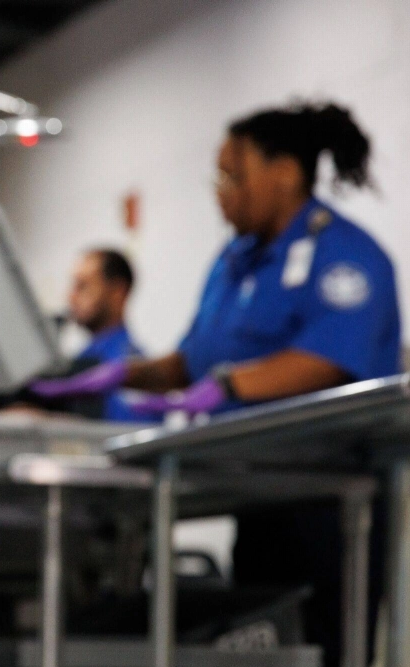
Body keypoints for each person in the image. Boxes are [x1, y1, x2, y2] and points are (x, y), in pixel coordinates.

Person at [30, 101, 402, 666]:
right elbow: (193, 359)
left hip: (332, 501)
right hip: (255, 491)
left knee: (327, 648)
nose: (220, 190)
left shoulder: (345, 254)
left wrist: (229, 387)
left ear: (284, 173)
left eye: (234, 174)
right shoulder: (234, 262)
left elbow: (331, 358)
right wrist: (121, 374)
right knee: (262, 642)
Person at [57, 248, 146, 421]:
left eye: (82, 286)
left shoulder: (133, 368)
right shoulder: (82, 360)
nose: (71, 297)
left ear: (117, 291)